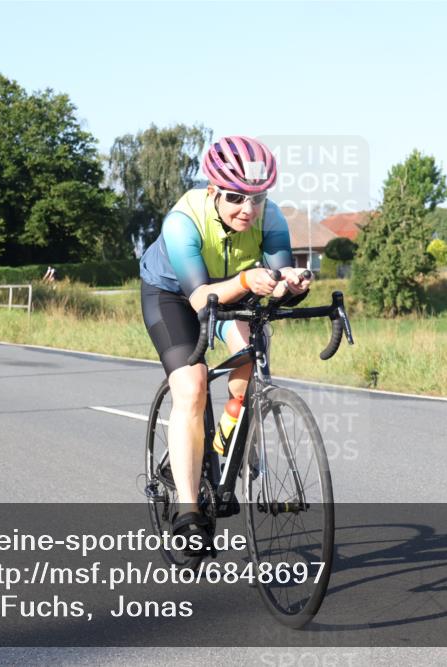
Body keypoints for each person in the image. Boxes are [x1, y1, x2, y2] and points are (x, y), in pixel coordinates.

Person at [139, 136, 311, 550]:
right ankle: (187, 508)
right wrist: (248, 281)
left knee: (248, 362)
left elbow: (277, 276)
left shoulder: (272, 221)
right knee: (192, 386)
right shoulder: (182, 222)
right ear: (213, 190)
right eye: (236, 197)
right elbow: (201, 299)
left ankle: (222, 443)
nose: (248, 210)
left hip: (233, 292)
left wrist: (293, 283)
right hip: (175, 296)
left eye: (258, 198)